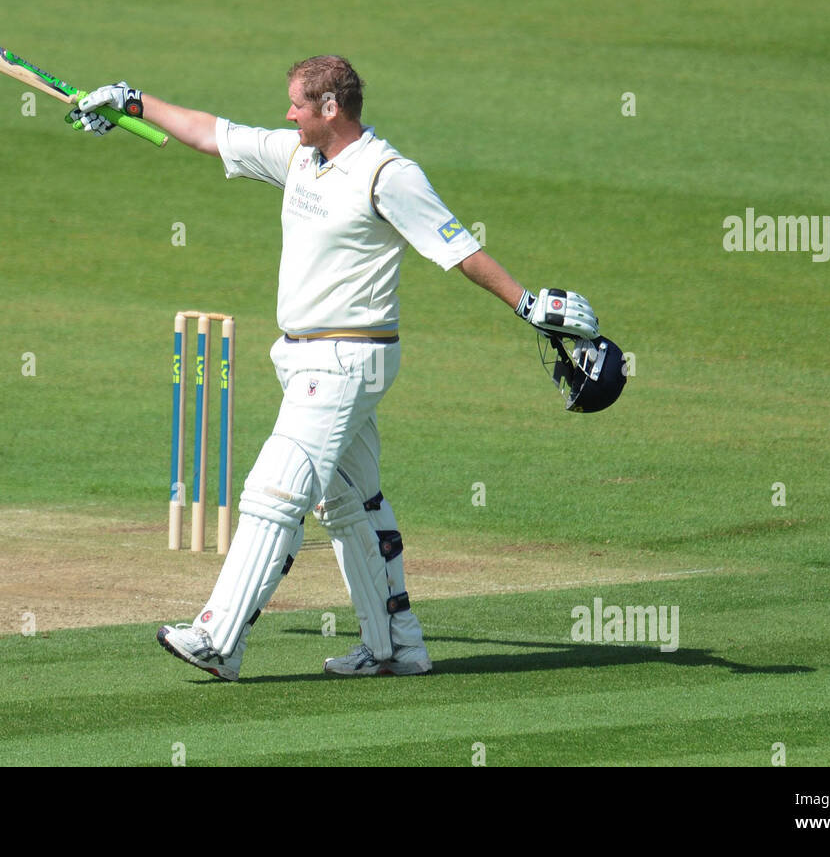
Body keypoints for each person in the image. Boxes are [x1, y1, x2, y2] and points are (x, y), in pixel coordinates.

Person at [70, 56, 599, 681]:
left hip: (347, 358)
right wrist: (131, 103)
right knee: (350, 504)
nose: (287, 113)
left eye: (297, 104)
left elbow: (457, 248)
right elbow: (211, 132)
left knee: (274, 492)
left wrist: (527, 303)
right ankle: (395, 647)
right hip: (305, 358)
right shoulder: (299, 156)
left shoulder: (387, 173)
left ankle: (218, 638)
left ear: (330, 109)